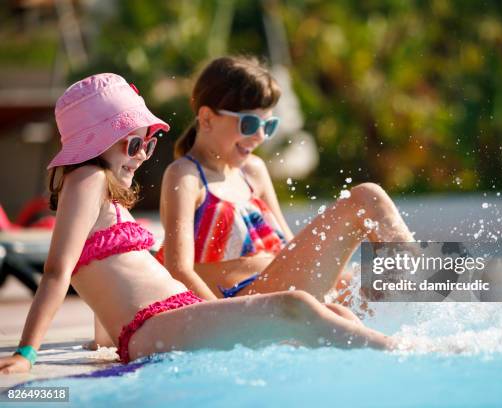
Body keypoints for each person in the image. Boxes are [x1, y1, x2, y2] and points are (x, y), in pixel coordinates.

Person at [0, 73, 395, 374]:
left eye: (147, 144)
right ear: (93, 143)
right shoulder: (87, 178)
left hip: (173, 315)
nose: (141, 157)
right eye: (133, 144)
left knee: (335, 317)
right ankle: (403, 354)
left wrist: (102, 338)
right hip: (153, 324)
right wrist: (26, 353)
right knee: (294, 307)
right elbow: (57, 273)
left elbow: (107, 281)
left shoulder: (103, 195)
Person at [157, 56, 415, 301]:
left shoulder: (253, 171)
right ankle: (426, 282)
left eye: (268, 126)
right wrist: (221, 318)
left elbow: (288, 248)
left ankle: (433, 291)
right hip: (247, 303)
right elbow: (178, 270)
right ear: (207, 118)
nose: (260, 136)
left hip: (286, 294)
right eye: (248, 124)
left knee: (372, 286)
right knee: (367, 197)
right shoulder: (186, 176)